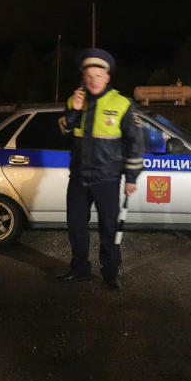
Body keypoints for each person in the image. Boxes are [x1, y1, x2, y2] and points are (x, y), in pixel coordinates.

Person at [58, 48, 144, 291]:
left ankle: (110, 272)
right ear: (84, 77)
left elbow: (135, 143)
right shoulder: (74, 100)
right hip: (78, 178)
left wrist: (132, 177)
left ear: (107, 77)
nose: (93, 79)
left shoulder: (121, 104)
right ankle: (79, 269)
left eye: (98, 74)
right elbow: (63, 132)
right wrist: (74, 110)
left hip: (107, 179)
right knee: (76, 226)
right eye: (89, 74)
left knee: (109, 228)